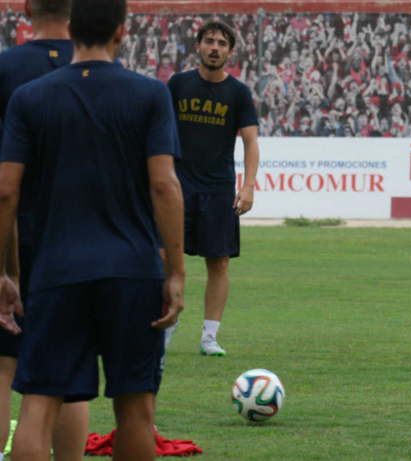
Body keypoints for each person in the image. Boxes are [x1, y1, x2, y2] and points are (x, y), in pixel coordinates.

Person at [0, 0, 185, 458]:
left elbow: (6, 193)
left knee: (40, 403)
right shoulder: (150, 94)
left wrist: (6, 272)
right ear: (122, 32)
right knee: (136, 408)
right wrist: (176, 273)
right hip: (132, 269)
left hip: (55, 268)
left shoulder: (31, 97)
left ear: (73, 29)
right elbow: (164, 186)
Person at [0, 1, 91, 459]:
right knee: (69, 377)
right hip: (75, 242)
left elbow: (4, 186)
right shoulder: (95, 72)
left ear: (27, 9)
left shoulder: (4, 67)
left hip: (14, 231)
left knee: (2, 367)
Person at [166, 20, 260, 357]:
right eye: (209, 41)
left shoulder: (238, 93)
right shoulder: (177, 84)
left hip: (219, 189)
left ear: (230, 52)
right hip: (177, 187)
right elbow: (158, 130)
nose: (215, 47)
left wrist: (248, 186)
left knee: (218, 263)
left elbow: (251, 142)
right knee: (165, 257)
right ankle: (168, 323)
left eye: (222, 43)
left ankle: (209, 337)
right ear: (198, 46)